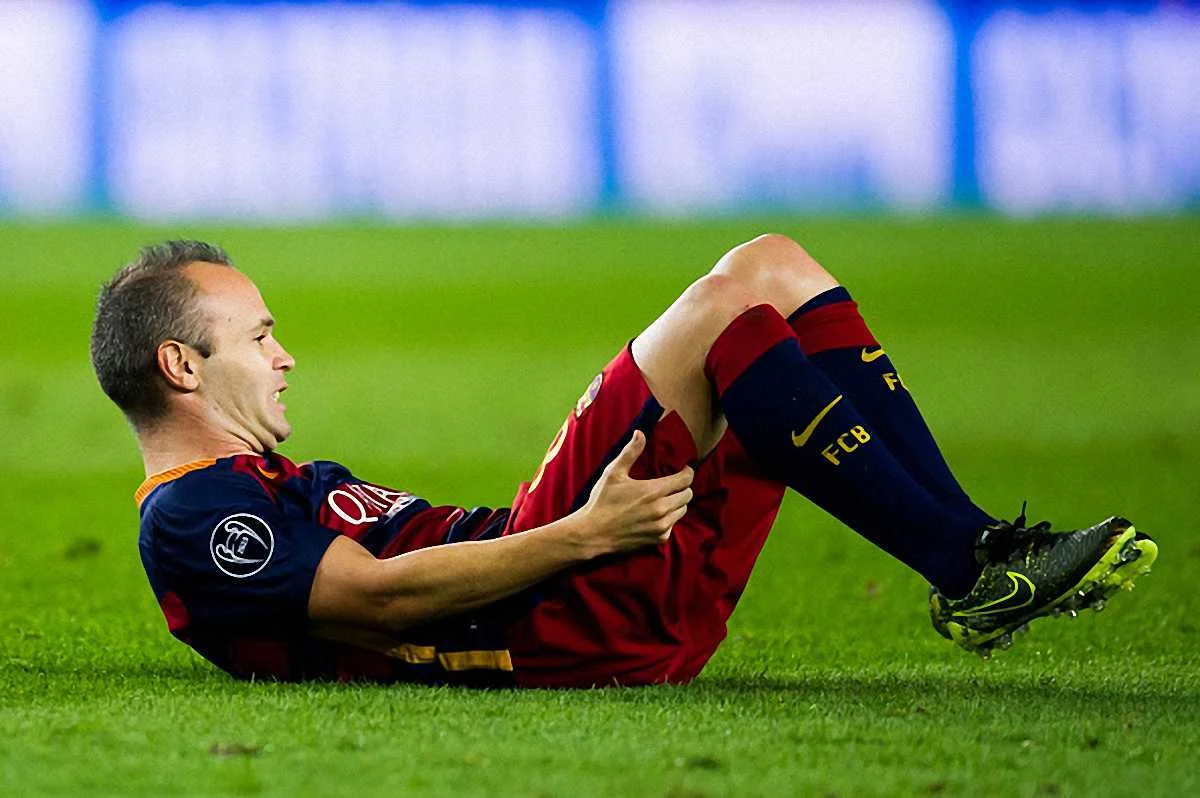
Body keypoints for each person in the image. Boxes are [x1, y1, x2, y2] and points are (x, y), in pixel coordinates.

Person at [90, 236, 1156, 686]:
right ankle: (969, 566)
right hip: (559, 609)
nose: (285, 356)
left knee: (771, 280)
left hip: (597, 591)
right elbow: (379, 599)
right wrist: (582, 535)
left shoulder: (258, 485)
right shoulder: (192, 518)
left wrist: (583, 536)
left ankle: (977, 552)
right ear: (182, 366)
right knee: (731, 299)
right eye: (260, 337)